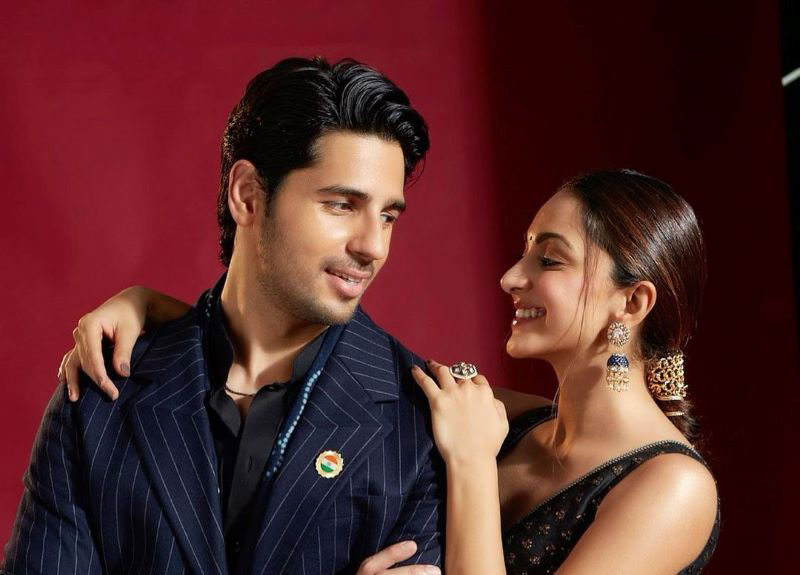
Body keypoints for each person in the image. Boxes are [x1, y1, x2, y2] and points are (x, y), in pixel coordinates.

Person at [57, 170, 720, 574]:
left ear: (632, 303)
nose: (511, 277)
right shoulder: (502, 416)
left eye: (548, 259)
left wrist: (469, 463)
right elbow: (340, 365)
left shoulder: (672, 486)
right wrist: (152, 309)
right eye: (524, 253)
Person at [2, 56, 448, 575]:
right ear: (248, 195)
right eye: (342, 205)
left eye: (388, 216)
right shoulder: (101, 393)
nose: (373, 246)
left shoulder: (421, 423)